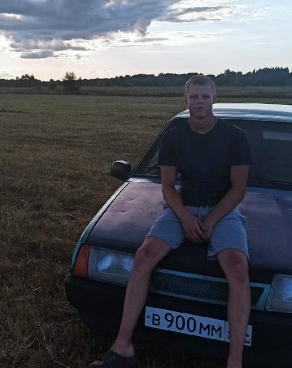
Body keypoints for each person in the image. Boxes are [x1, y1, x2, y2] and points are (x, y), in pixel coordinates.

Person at [89, 75, 251, 368]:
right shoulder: (173, 137)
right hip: (182, 206)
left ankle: (234, 361)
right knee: (143, 256)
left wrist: (211, 220)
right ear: (185, 99)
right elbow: (167, 187)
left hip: (223, 210)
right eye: (194, 97)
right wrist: (186, 217)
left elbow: (238, 189)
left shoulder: (235, 136)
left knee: (238, 269)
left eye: (205, 96)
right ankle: (123, 347)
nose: (200, 102)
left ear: (214, 99)